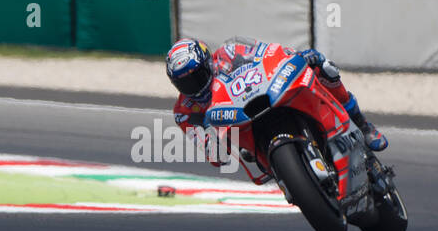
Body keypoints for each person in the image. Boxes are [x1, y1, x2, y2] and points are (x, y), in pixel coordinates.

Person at [166, 38, 387, 152]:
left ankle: (363, 124)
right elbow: (216, 157)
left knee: (324, 67)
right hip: (247, 136)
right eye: (183, 83)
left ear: (208, 63)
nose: (192, 86)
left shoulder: (227, 54)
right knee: (247, 154)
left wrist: (296, 56)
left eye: (196, 76)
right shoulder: (185, 112)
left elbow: (265, 52)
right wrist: (210, 139)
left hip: (263, 96)